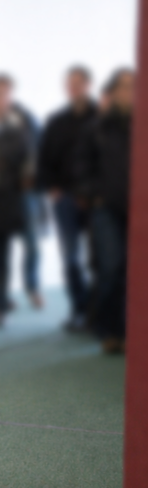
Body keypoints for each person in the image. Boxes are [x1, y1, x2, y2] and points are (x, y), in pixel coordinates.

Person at [76, 68, 134, 354]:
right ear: (112, 92)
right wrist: (94, 194)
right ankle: (109, 330)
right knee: (110, 268)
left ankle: (129, 332)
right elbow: (81, 167)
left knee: (133, 272)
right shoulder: (97, 128)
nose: (129, 92)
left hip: (139, 211)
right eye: (123, 86)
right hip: (106, 209)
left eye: (134, 86)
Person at [37, 66, 98, 332]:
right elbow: (43, 160)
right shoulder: (57, 122)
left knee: (101, 260)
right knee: (72, 258)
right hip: (65, 199)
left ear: (88, 85)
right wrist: (53, 189)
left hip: (97, 200)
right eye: (69, 83)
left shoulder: (101, 117)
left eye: (78, 83)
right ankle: (80, 310)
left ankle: (99, 313)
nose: (73, 88)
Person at [0, 74, 37, 327]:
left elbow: (27, 157)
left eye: (5, 94)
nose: (1, 99)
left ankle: (2, 304)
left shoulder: (19, 124)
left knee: (4, 253)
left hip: (8, 198)